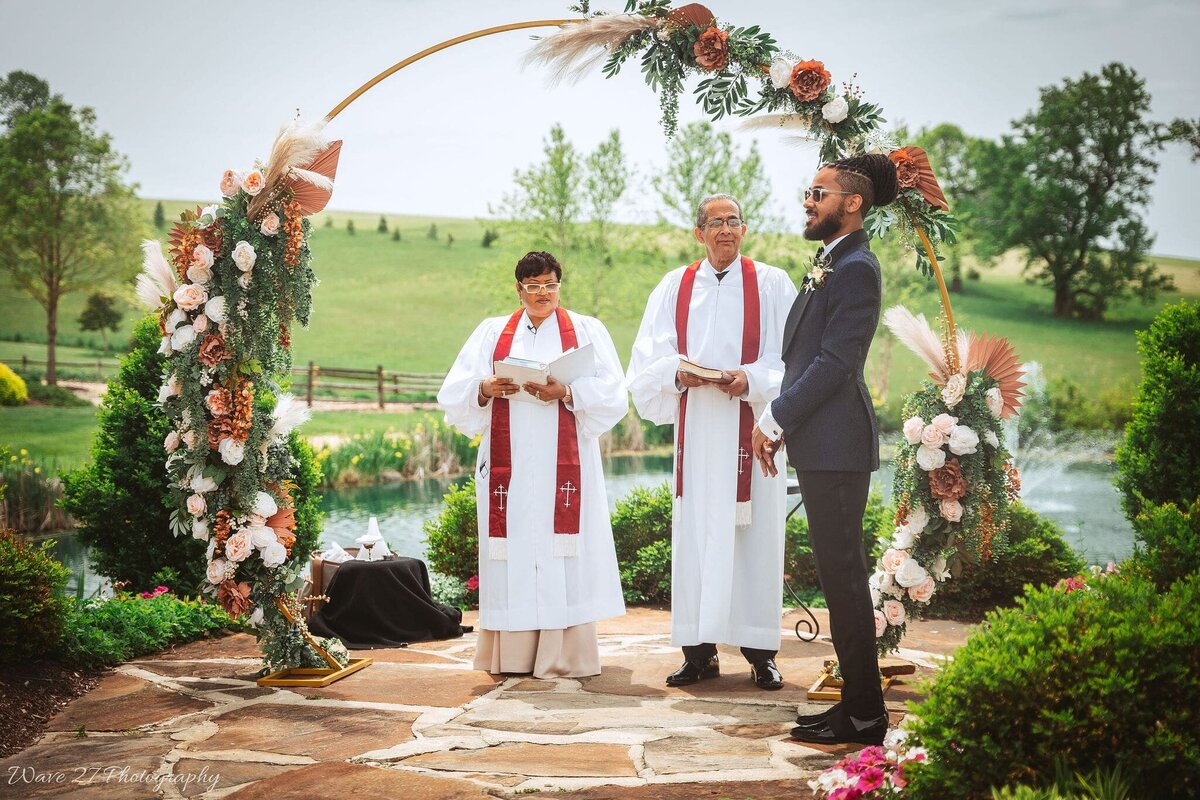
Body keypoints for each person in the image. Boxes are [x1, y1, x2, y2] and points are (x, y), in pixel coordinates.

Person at [751, 154, 900, 745]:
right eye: (807, 190)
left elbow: (837, 363)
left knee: (842, 578)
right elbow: (803, 356)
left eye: (818, 191)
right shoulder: (833, 260)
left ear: (852, 203)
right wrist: (784, 424)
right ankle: (857, 706)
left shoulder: (858, 267)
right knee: (838, 577)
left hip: (837, 444)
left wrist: (775, 418)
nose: (807, 200)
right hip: (822, 442)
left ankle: (865, 713)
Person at [627, 194, 798, 690]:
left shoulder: (771, 284)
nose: (726, 230)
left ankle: (760, 652)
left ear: (744, 229)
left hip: (755, 432)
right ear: (698, 232)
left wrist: (750, 379)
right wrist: (678, 374)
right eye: (715, 222)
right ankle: (698, 652)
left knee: (756, 540)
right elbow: (647, 362)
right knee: (698, 538)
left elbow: (794, 359)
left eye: (734, 221)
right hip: (698, 433)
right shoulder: (673, 287)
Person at [438, 251, 627, 678]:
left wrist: (567, 392)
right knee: (517, 550)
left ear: (560, 285)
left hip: (567, 463)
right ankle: (514, 654)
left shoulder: (584, 330)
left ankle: (566, 654)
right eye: (534, 286)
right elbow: (454, 393)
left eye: (551, 285)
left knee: (564, 551)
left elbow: (615, 395)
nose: (543, 294)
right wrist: (485, 387)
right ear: (519, 289)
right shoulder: (491, 333)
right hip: (513, 464)